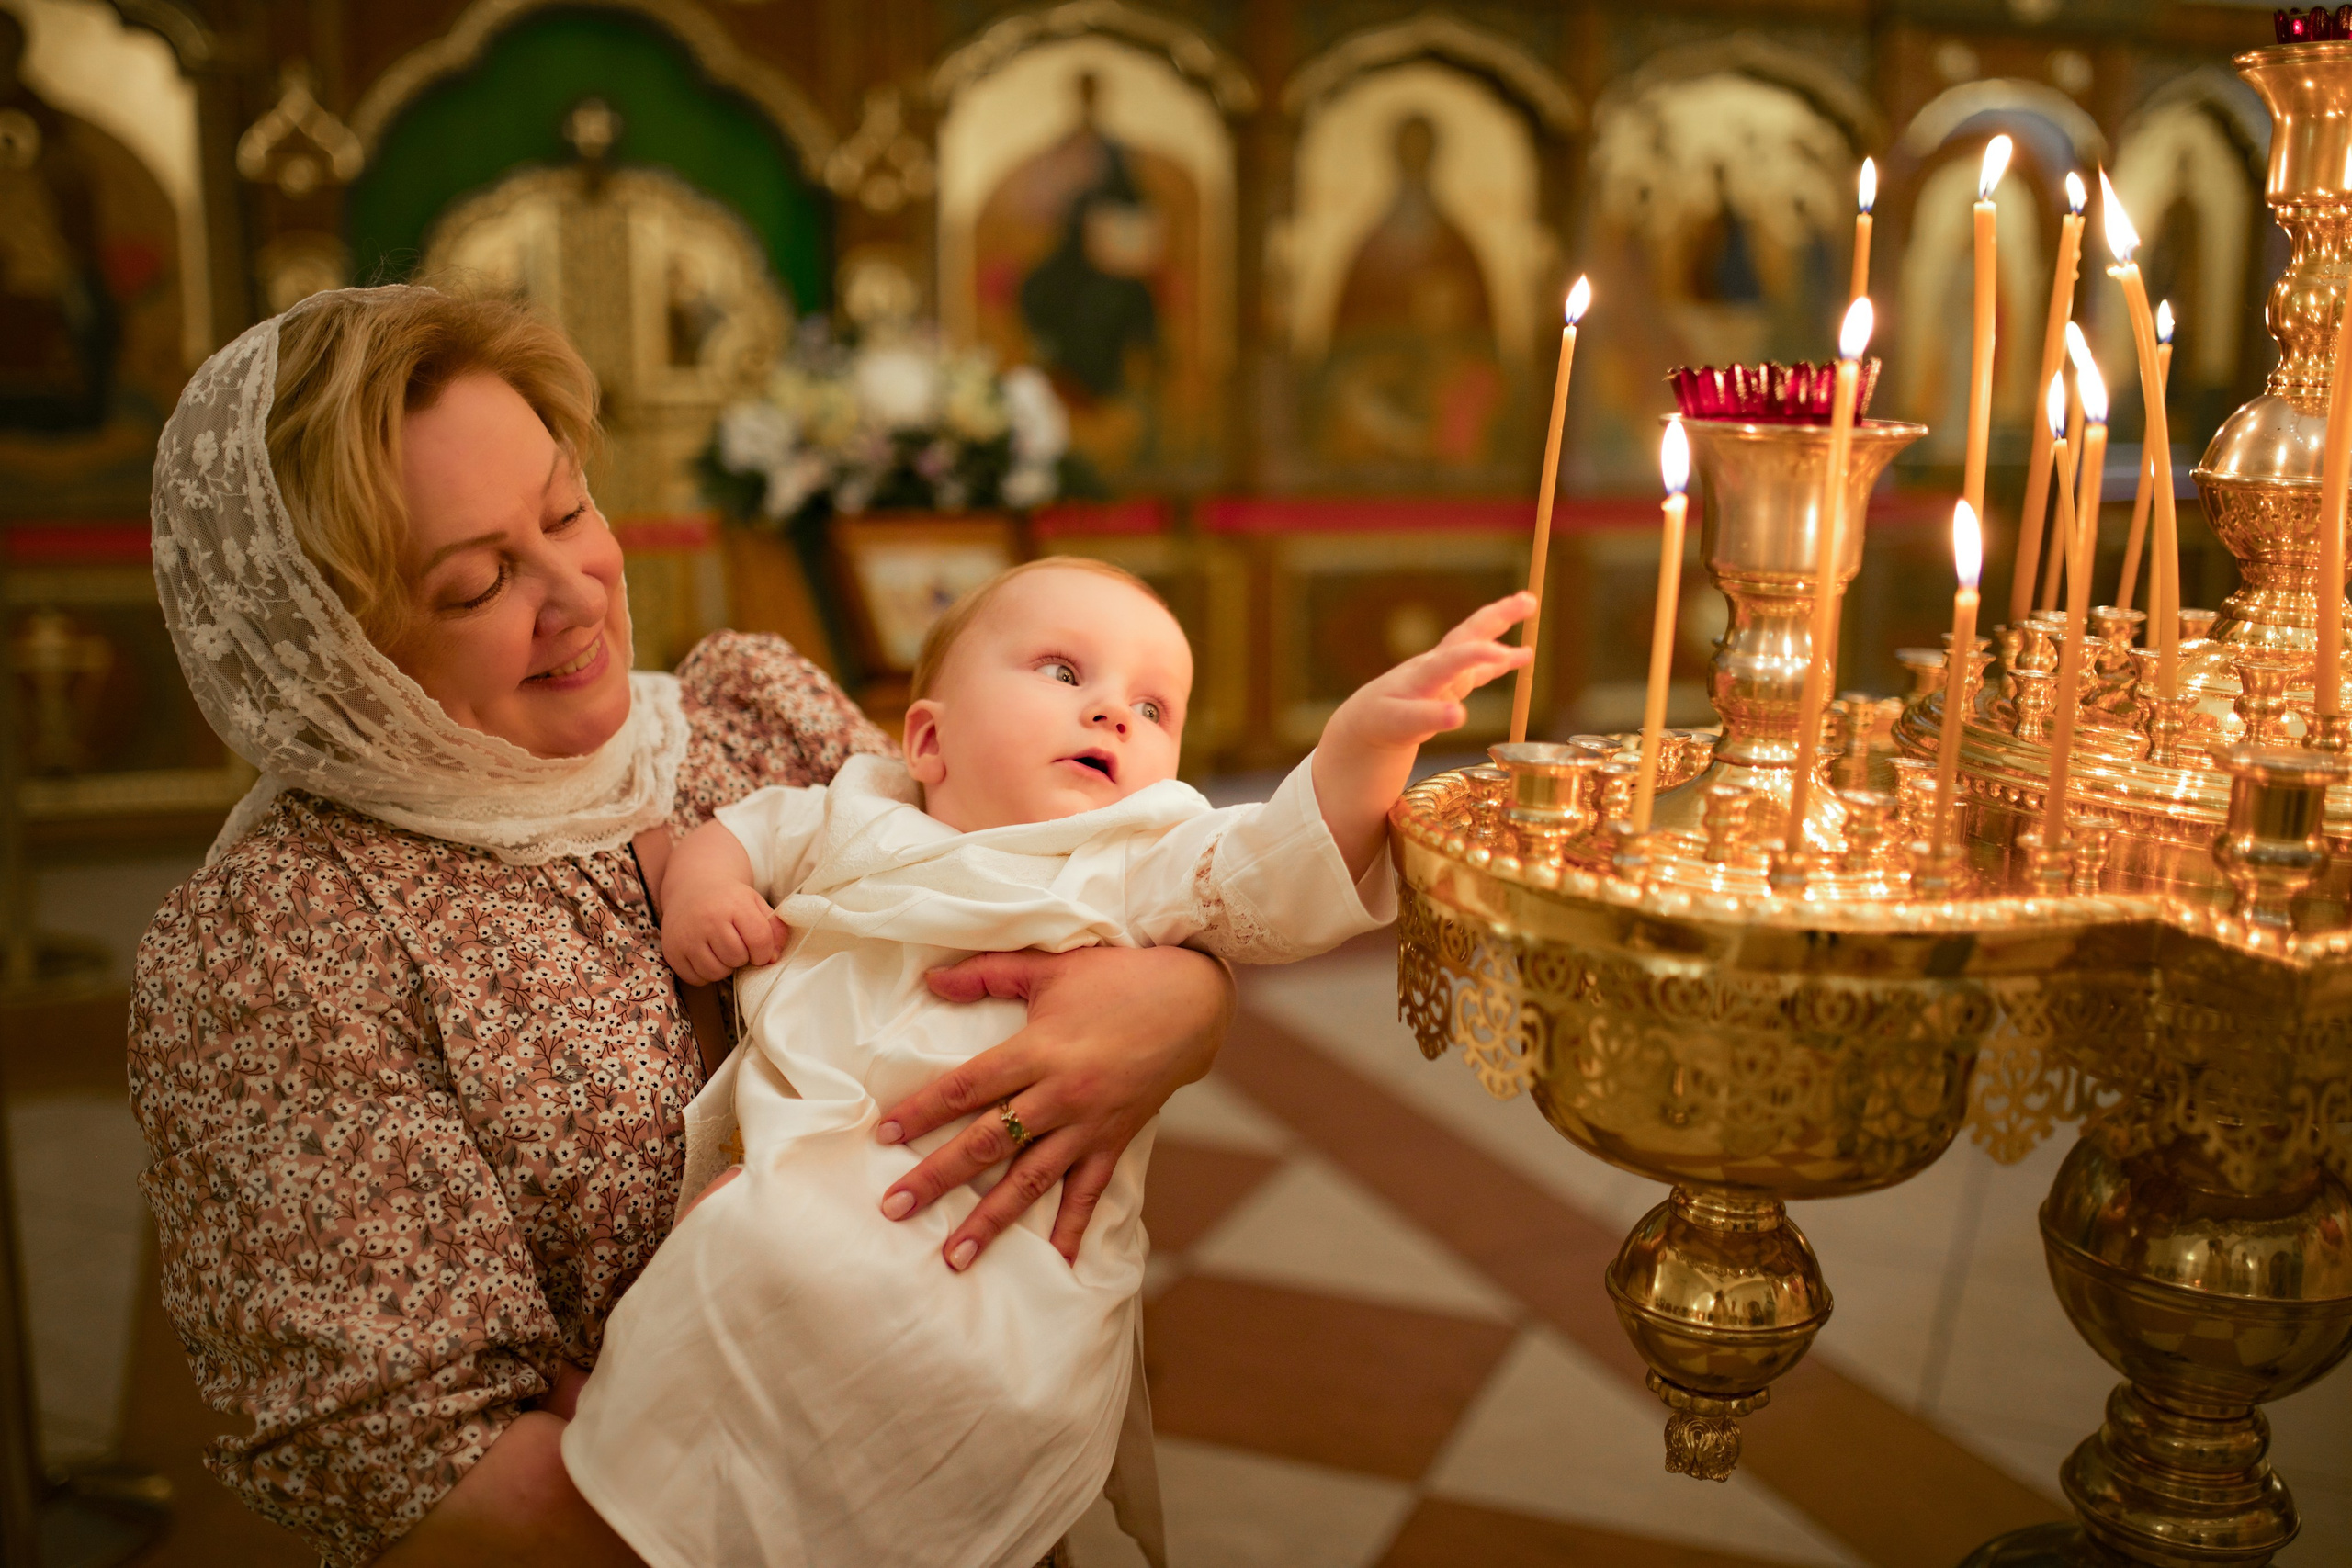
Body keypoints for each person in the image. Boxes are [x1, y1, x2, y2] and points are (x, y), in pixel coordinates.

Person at [128, 287, 1235, 1568]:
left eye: (567, 509)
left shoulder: (747, 718)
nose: (576, 594)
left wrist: (1179, 1005)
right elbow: (417, 1471)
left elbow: (1052, 862)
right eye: (480, 579)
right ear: (328, 649)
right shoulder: (285, 943)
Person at [561, 558, 1532, 1568]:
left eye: (1153, 706)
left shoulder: (1134, 849)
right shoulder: (850, 808)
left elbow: (1272, 872)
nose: (1114, 711)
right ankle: (662, 1475)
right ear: (929, 739)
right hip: (817, 1160)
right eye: (1065, 673)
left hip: (1007, 1226)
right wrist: (704, 896)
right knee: (736, 1267)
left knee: (979, 1372)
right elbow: (732, 837)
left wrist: (1363, 745)